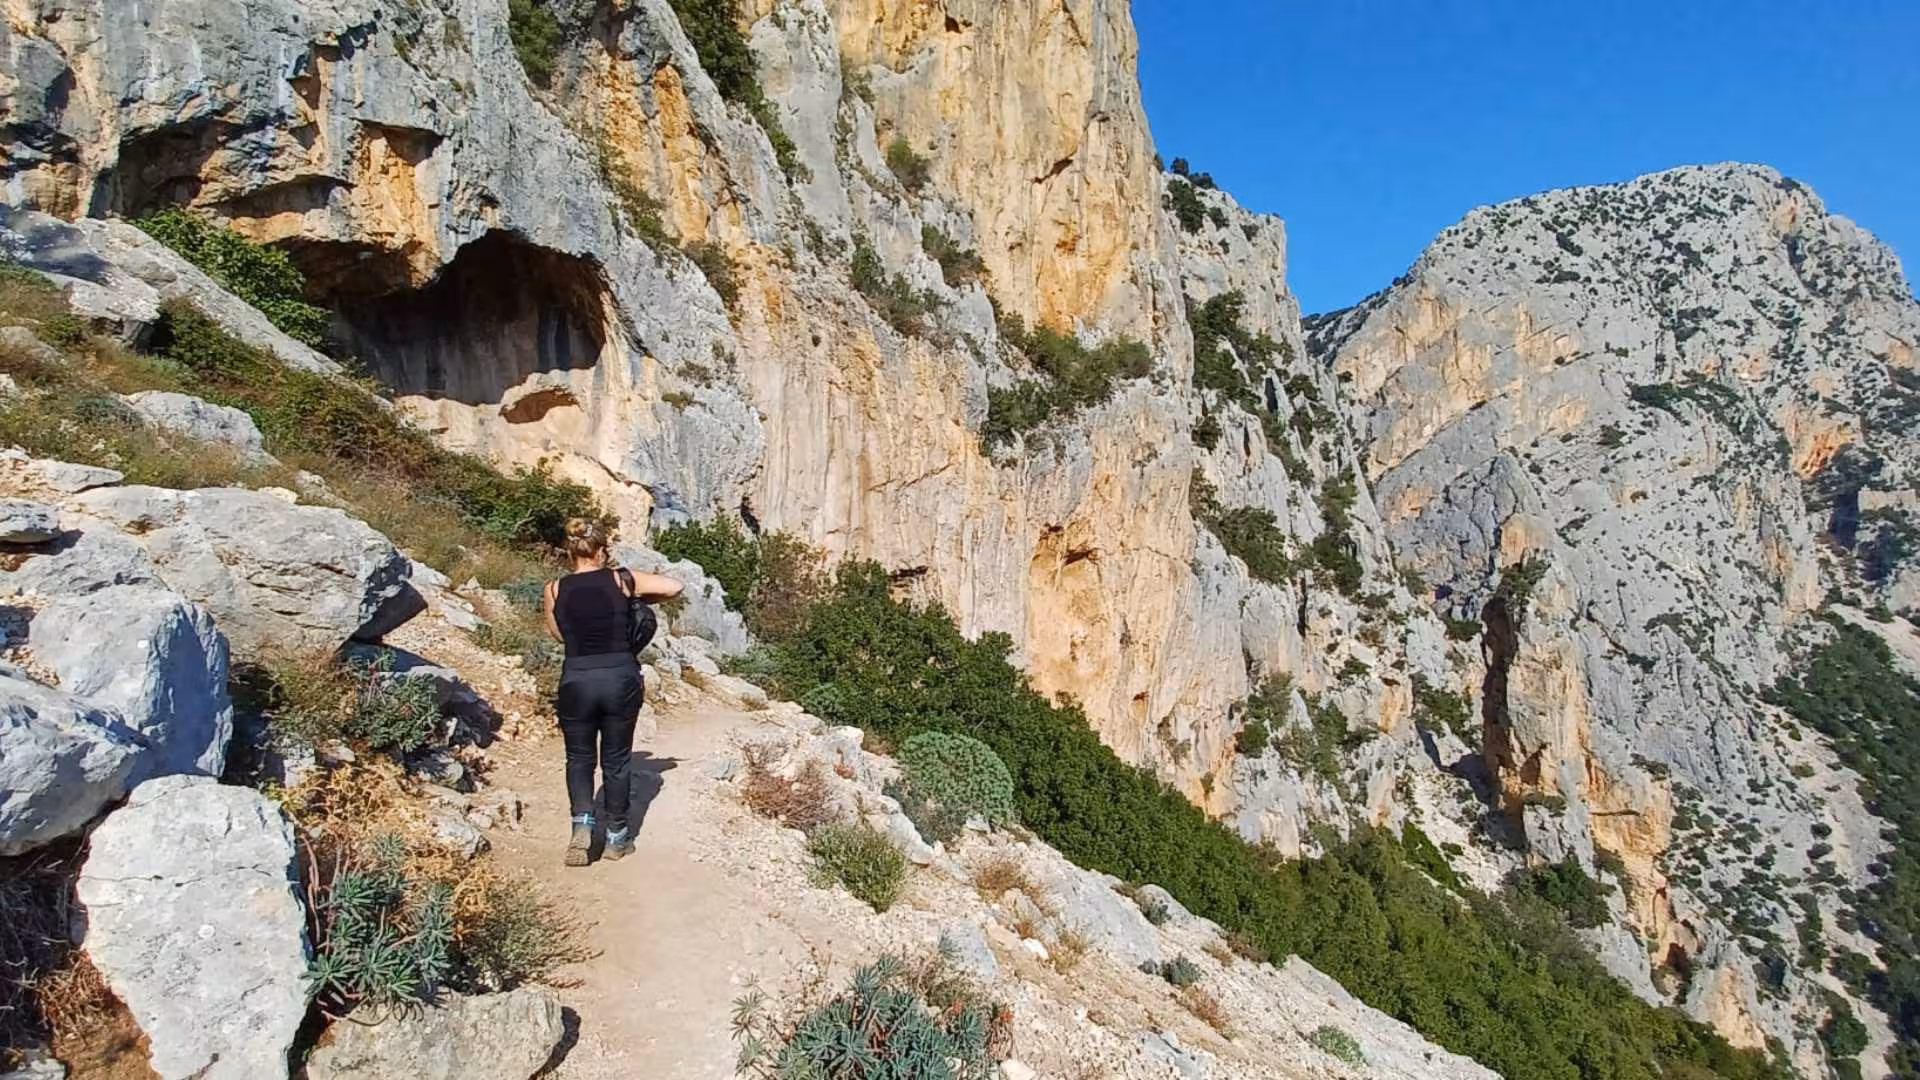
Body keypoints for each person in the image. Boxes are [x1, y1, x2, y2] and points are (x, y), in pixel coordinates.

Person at [543, 517, 683, 866]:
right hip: (620, 677)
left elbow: (558, 633)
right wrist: (634, 593)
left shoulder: (554, 589)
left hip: (576, 678)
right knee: (616, 760)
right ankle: (617, 838)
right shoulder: (622, 579)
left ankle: (582, 825)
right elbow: (674, 587)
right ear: (602, 551)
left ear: (570, 553)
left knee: (579, 758)